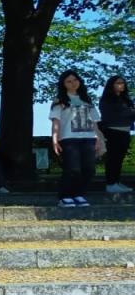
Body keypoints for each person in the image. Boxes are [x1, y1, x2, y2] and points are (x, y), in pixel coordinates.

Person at [50, 70, 104, 208]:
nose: (73, 83)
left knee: (89, 168)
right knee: (72, 169)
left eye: (75, 80)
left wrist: (98, 138)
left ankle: (79, 194)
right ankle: (65, 196)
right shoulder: (60, 101)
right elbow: (56, 121)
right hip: (69, 138)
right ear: (63, 84)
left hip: (89, 138)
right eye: (69, 81)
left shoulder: (87, 100)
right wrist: (55, 140)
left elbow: (95, 122)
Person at [99, 76, 134, 194]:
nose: (121, 85)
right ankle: (110, 184)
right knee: (113, 159)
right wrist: (129, 112)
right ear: (111, 85)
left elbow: (130, 115)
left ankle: (116, 182)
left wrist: (129, 112)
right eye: (118, 83)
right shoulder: (107, 100)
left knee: (119, 159)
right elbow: (113, 116)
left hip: (125, 132)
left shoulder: (126, 100)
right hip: (113, 132)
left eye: (123, 83)